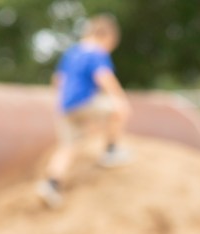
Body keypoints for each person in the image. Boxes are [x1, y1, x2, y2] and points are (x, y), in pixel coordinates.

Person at [37, 13, 131, 208]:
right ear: (108, 37)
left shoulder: (71, 53)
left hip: (64, 107)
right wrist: (120, 98)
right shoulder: (96, 52)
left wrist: (61, 103)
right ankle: (111, 150)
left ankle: (51, 185)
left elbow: (58, 80)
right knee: (118, 109)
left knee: (67, 146)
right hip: (83, 103)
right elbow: (103, 77)